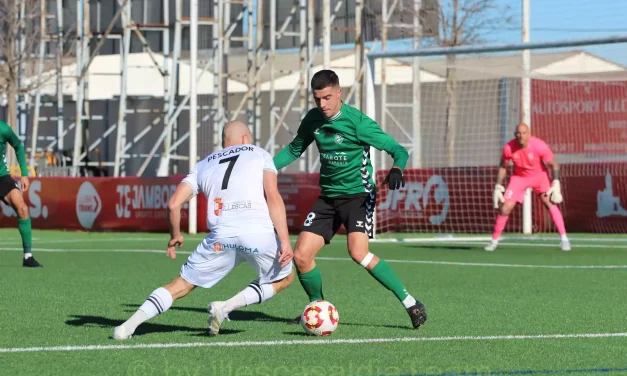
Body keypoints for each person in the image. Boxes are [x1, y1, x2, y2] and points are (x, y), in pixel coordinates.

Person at [272, 69, 427, 329]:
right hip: (328, 198)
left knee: (358, 253)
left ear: (339, 92)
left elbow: (397, 149)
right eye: (317, 99)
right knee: (301, 256)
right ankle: (316, 308)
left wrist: (397, 167)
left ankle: (411, 302)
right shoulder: (314, 119)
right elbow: (294, 149)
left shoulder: (358, 122)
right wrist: (263, 167)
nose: (323, 104)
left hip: (358, 196)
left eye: (328, 97)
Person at [113, 121, 294, 339]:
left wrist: (175, 235)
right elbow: (273, 196)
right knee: (284, 278)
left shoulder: (204, 164)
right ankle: (225, 307)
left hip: (220, 238)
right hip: (257, 233)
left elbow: (173, 204)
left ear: (223, 142)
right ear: (245, 139)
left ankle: (127, 327)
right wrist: (284, 239)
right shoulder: (260, 154)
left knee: (180, 285)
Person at [486, 123, 570, 252]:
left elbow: (555, 164)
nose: (521, 136)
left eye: (524, 133)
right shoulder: (509, 148)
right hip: (519, 178)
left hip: (539, 176)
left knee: (548, 202)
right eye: (518, 133)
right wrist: (498, 185)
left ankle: (564, 239)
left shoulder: (539, 145)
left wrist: (556, 182)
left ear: (529, 134)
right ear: (515, 135)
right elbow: (503, 166)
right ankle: (494, 241)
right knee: (505, 208)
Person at [0, 120, 42, 267]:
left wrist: (24, 174)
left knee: (22, 208)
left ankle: (28, 256)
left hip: (2, 177)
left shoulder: (3, 128)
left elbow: (18, 146)